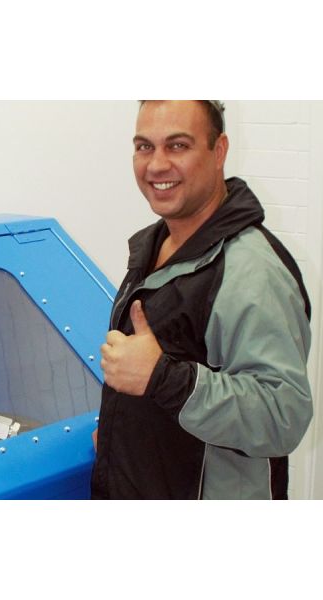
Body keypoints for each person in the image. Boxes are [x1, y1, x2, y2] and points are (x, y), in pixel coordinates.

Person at [91, 100, 312, 500]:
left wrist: (163, 377)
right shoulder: (157, 245)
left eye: (178, 145)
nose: (156, 165)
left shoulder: (251, 272)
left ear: (219, 150)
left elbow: (282, 416)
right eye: (144, 146)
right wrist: (118, 436)